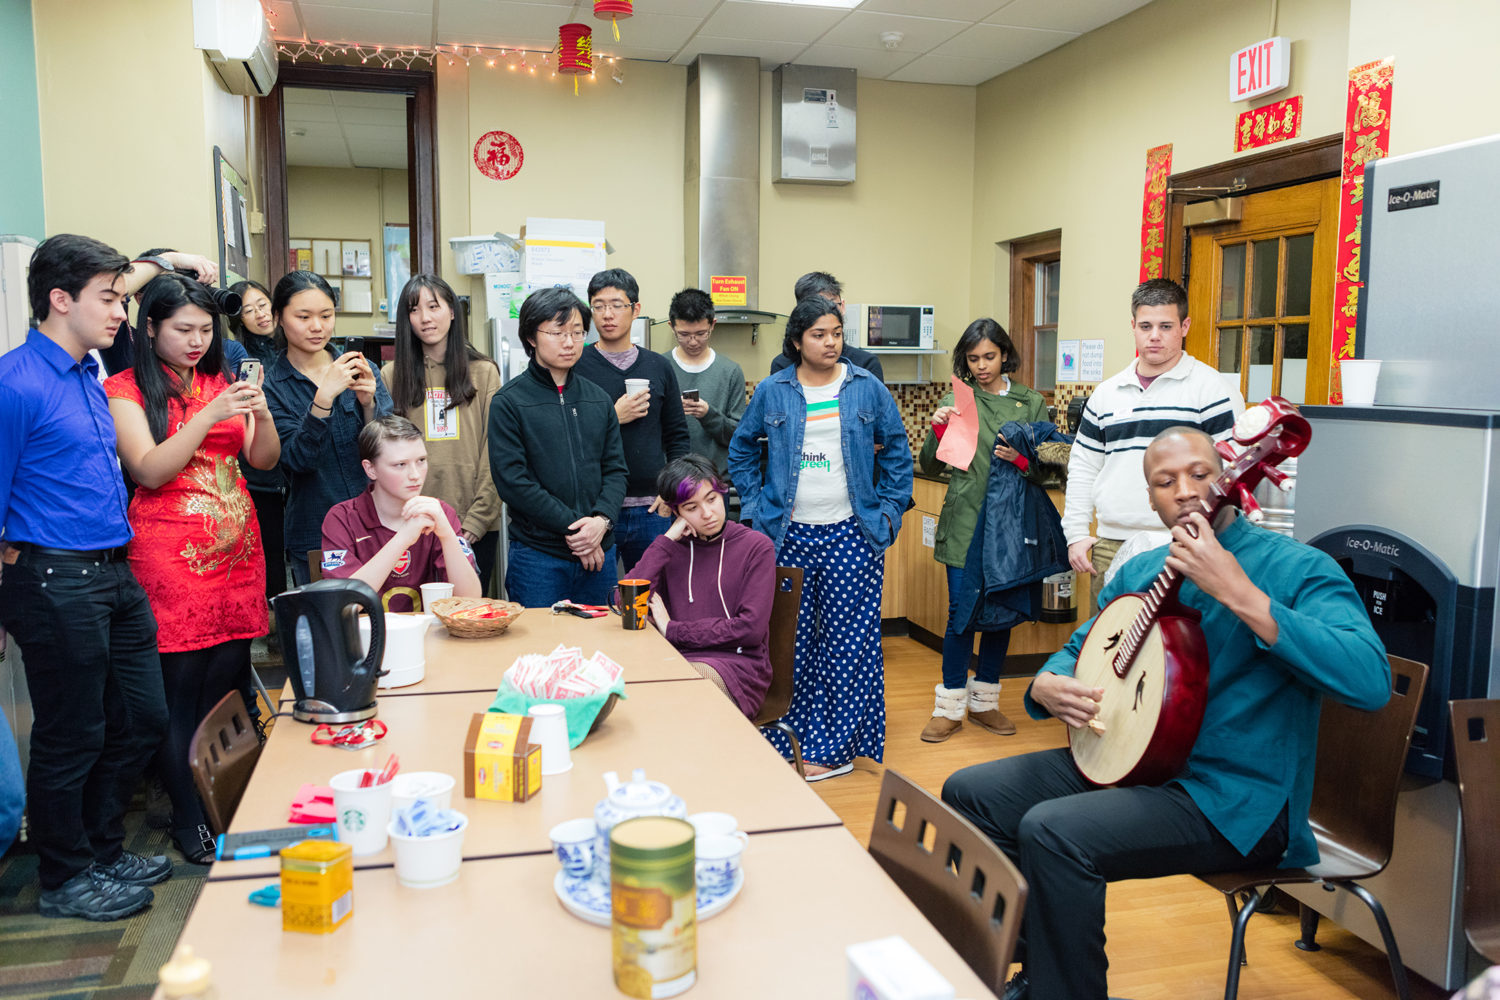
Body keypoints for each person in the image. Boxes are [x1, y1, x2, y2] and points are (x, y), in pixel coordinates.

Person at [942, 427, 1391, 1000]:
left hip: (1236, 801)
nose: (1184, 490)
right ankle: (1040, 969)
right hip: (1137, 762)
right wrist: (1049, 681)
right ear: (1150, 498)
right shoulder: (1141, 571)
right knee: (971, 792)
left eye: (1200, 474)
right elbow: (1080, 648)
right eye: (1165, 481)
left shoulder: (1299, 570)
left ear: (1232, 481)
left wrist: (1241, 595)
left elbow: (1371, 682)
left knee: (1053, 833)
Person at [0, 234, 171, 920]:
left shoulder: (88, 375)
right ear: (59, 299)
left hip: (113, 571)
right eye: (109, 299)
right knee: (72, 733)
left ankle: (102, 847)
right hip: (51, 578)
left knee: (141, 717)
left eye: (123, 299)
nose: (120, 315)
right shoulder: (16, 383)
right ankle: (65, 876)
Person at [104, 273, 280, 864]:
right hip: (171, 559)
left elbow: (262, 459)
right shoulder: (125, 389)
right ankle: (188, 820)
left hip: (237, 555)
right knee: (180, 698)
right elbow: (150, 470)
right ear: (150, 327)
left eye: (206, 330)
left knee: (222, 692)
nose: (197, 340)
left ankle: (223, 804)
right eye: (183, 329)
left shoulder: (222, 381)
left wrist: (261, 411)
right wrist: (207, 416)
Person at [729, 296, 913, 781]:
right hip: (787, 536)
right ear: (797, 341)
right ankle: (787, 735)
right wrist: (755, 506)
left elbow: (898, 452)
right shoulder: (773, 391)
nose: (830, 342)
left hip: (853, 534)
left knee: (847, 643)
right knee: (789, 641)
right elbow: (741, 449)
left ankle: (835, 748)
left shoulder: (867, 388)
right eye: (818, 334)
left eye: (836, 332)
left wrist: (890, 514)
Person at [1063, 278, 1244, 611]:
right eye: (1145, 326)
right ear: (1132, 326)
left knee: (1180, 650)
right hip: (1111, 544)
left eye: (1166, 326)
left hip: (1185, 545)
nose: (1155, 335)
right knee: (1107, 651)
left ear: (1184, 326)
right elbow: (1084, 466)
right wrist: (1075, 533)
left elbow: (1233, 473)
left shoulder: (1213, 390)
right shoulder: (1107, 394)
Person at [917, 319, 1051, 742]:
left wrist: (1024, 462)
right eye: (973, 359)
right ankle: (950, 706)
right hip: (965, 522)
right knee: (961, 616)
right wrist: (938, 427)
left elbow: (1049, 470)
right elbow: (933, 464)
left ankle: (985, 704)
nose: (981, 366)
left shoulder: (1030, 403)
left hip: (1009, 527)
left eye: (989, 356)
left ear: (1005, 354)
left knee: (1001, 616)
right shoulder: (959, 399)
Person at [488, 287, 628, 608]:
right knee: (542, 654)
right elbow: (514, 483)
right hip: (539, 558)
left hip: (600, 554)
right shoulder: (509, 402)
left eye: (577, 332)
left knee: (600, 652)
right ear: (532, 337)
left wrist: (601, 522)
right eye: (558, 332)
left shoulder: (598, 398)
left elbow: (616, 470)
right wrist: (580, 532)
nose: (569, 342)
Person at [263, 271, 393, 586]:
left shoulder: (362, 368)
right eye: (303, 316)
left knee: (386, 622)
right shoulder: (270, 384)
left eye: (326, 315)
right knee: (325, 627)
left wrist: (368, 405)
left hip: (378, 521)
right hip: (314, 529)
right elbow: (297, 460)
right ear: (279, 317)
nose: (317, 326)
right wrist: (323, 398)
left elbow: (392, 447)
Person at [627, 455, 776, 717]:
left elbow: (749, 629)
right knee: (629, 687)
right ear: (677, 513)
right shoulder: (671, 549)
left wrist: (674, 630)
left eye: (712, 499)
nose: (707, 514)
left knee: (684, 688)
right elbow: (626, 603)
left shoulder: (756, 546)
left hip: (739, 668)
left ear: (722, 494)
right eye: (692, 507)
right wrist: (667, 539)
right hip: (674, 661)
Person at [382, 274, 503, 592]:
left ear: (452, 311)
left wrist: (476, 521)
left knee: (468, 617)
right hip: (411, 524)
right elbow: (383, 454)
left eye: (434, 306)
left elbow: (497, 450)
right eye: (414, 309)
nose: (425, 317)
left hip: (474, 522)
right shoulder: (392, 375)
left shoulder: (484, 372)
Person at [574, 268, 691, 570]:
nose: (607, 314)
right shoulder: (577, 366)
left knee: (654, 599)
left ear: (635, 309)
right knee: (599, 604)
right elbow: (566, 437)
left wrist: (672, 493)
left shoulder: (659, 366)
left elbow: (677, 436)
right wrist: (613, 417)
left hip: (653, 508)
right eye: (598, 306)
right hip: (596, 510)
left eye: (617, 305)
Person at [320, 415, 481, 610]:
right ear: (370, 469)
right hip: (367, 637)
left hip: (428, 637)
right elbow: (346, 603)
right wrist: (403, 538)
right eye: (400, 465)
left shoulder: (439, 512)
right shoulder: (341, 518)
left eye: (421, 460)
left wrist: (447, 535)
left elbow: (470, 600)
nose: (415, 475)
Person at [228, 278, 288, 600]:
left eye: (263, 305)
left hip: (294, 462)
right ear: (239, 320)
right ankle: (276, 620)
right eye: (249, 311)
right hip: (261, 469)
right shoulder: (241, 358)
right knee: (271, 549)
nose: (260, 315)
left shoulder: (294, 344)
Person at [660, 288, 747, 476]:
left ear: (713, 325)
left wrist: (708, 414)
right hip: (670, 481)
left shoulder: (730, 371)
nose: (693, 342)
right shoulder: (659, 367)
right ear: (671, 326)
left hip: (714, 481)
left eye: (701, 333)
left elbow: (739, 435)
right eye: (684, 334)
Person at [766, 271, 884, 381]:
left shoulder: (866, 365)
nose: (826, 312)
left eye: (831, 305)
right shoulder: (782, 366)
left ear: (842, 307)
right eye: (818, 335)